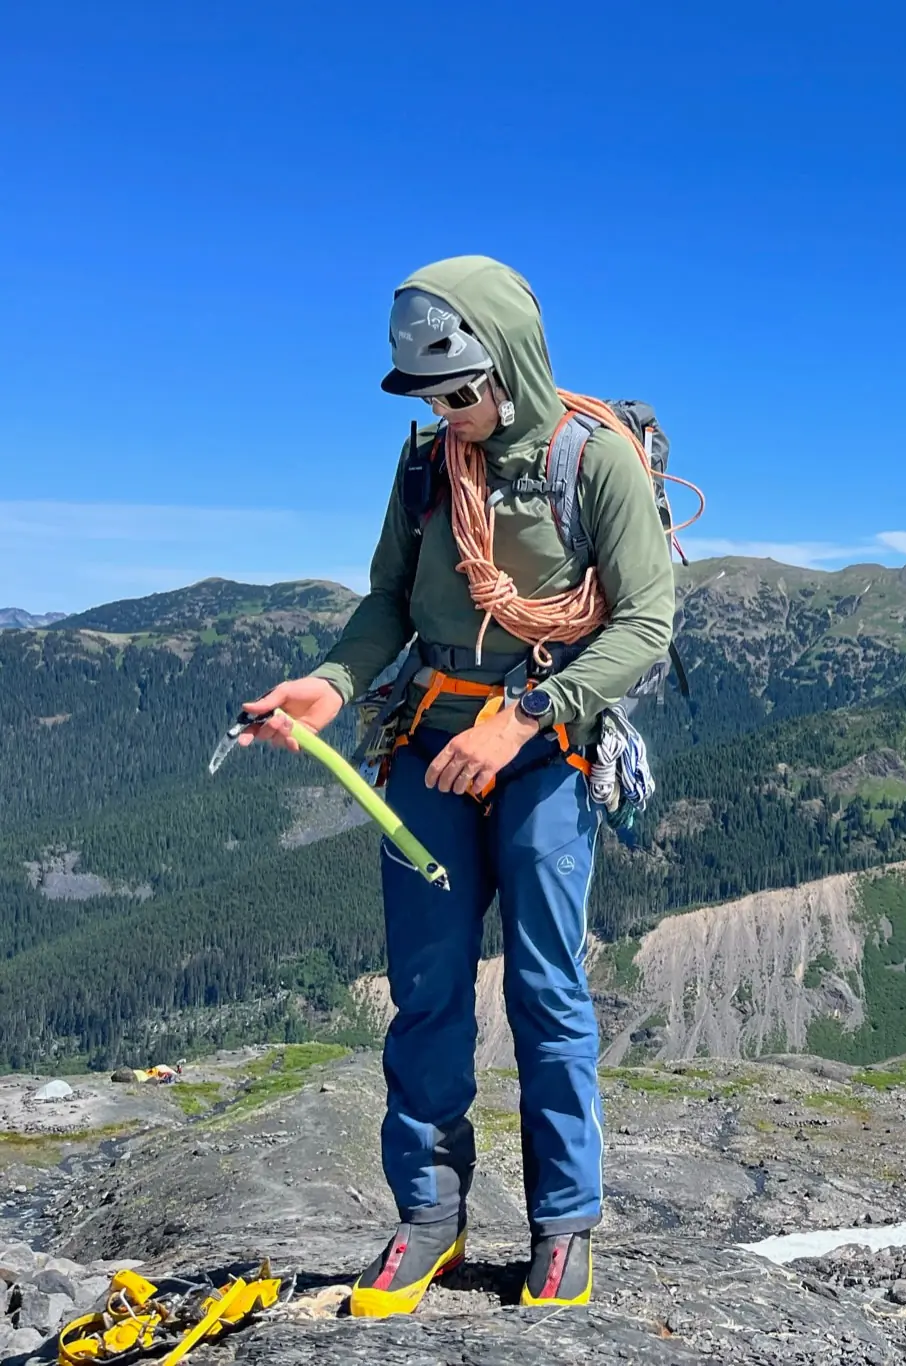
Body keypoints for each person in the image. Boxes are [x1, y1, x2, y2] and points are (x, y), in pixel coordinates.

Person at [242, 256, 675, 1315]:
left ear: (512, 364)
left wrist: (520, 718)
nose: (447, 412)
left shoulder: (595, 460)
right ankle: (430, 1215)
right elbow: (388, 600)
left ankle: (564, 1223)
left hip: (544, 742)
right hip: (432, 733)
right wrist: (332, 686)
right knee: (428, 988)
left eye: (461, 390)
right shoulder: (428, 466)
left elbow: (646, 626)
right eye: (431, 395)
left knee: (546, 987)